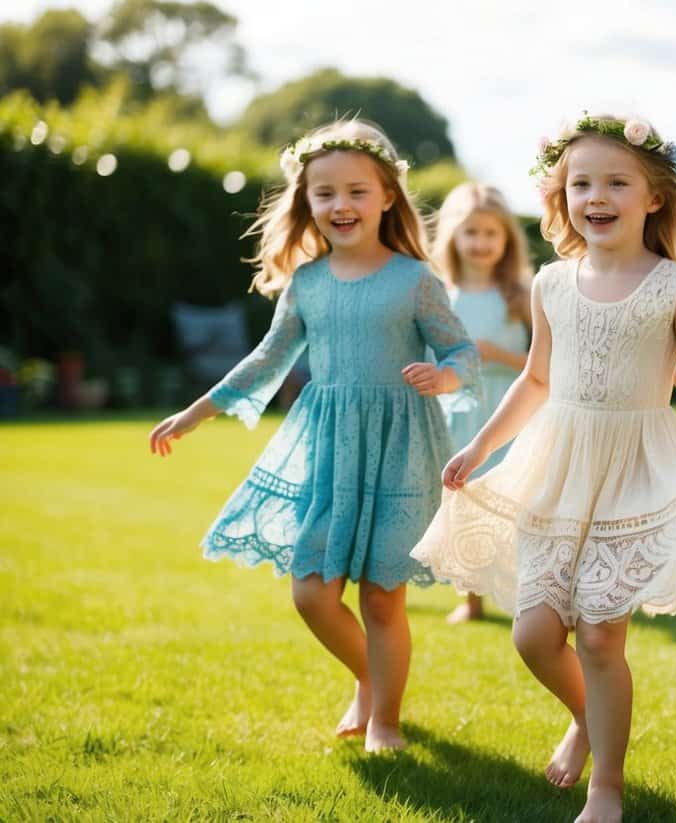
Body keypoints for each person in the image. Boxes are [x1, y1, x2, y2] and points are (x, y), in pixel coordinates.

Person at [413, 114, 676, 823]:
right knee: (534, 634)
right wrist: (480, 447)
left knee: (599, 633)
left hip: (635, 470)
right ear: (559, 195)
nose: (595, 195)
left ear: (654, 197)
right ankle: (588, 719)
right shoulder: (553, 285)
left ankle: (608, 788)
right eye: (579, 182)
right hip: (558, 467)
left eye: (615, 182)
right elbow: (535, 381)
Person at [149, 119, 478, 753]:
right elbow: (267, 360)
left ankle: (386, 719)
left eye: (357, 191)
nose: (341, 205)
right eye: (325, 193)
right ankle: (367, 677)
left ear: (388, 197)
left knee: (383, 600)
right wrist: (195, 413)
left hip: (400, 449)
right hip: (330, 451)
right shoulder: (308, 284)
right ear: (308, 203)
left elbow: (460, 348)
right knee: (312, 594)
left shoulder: (413, 279)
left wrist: (444, 375)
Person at [430, 182, 533, 624]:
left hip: (508, 409)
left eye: (491, 233)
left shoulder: (520, 294)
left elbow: (545, 362)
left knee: (514, 499)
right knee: (461, 496)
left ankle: (526, 592)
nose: (481, 243)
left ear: (507, 238)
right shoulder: (440, 294)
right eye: (471, 233)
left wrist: (497, 353)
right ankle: (469, 596)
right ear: (453, 236)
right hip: (457, 410)